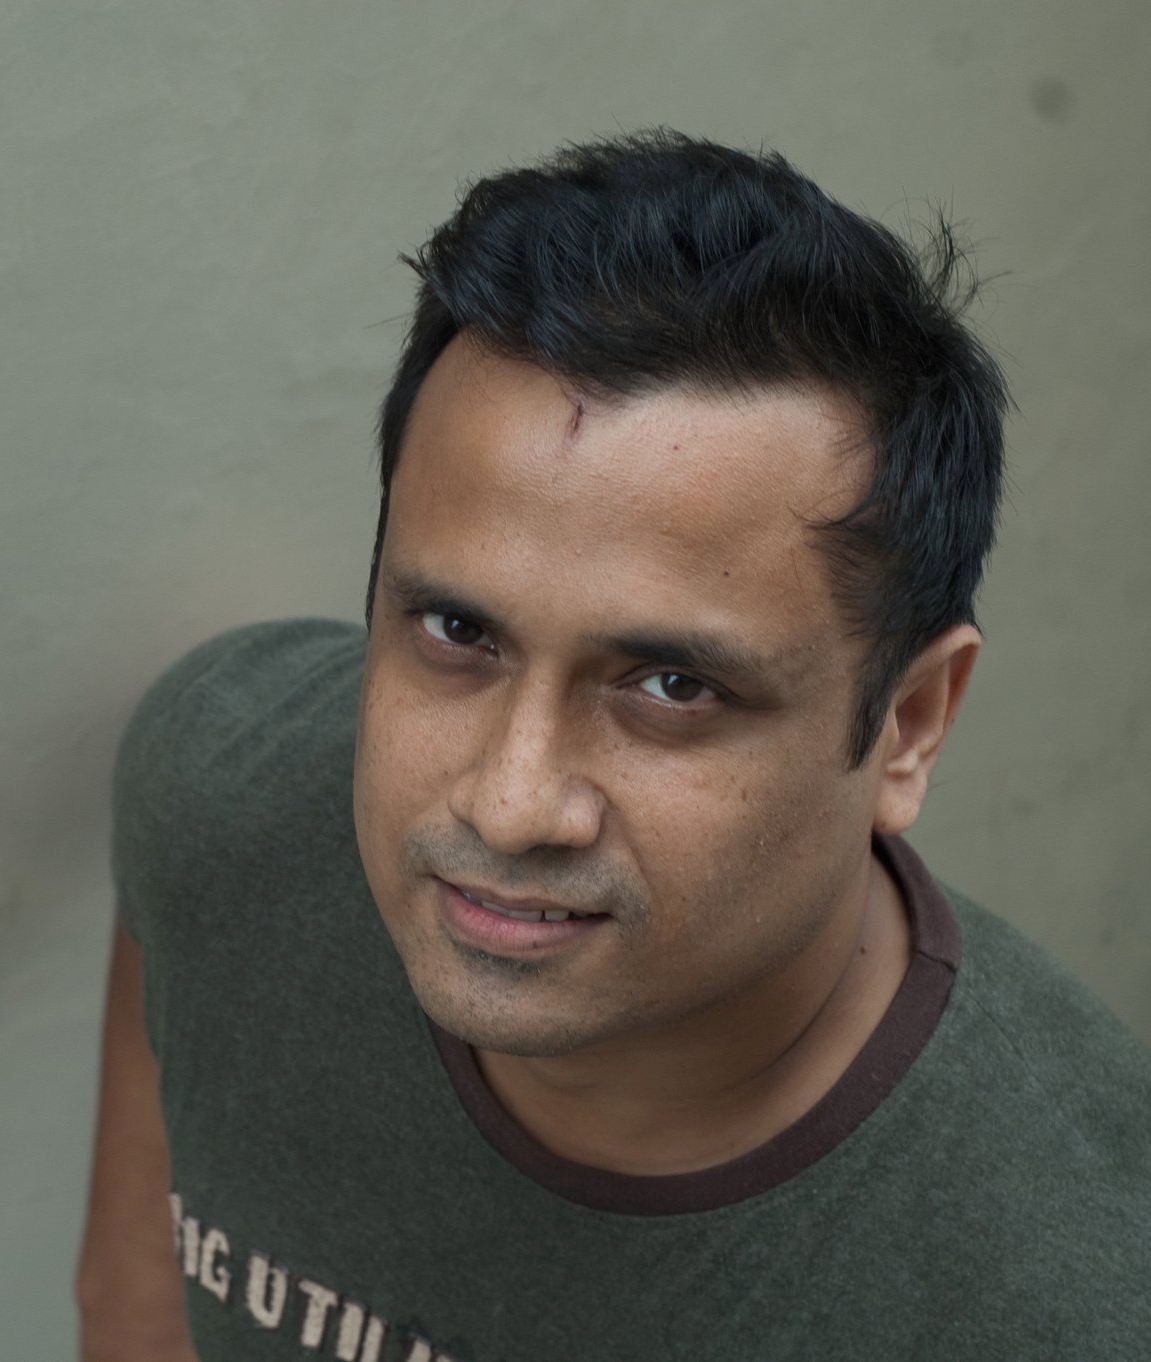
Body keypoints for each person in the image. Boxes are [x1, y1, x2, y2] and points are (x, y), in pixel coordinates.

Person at [77, 131, 1151, 1362]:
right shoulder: (231, 799)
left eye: (671, 687)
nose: (509, 801)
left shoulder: (1082, 1292)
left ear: (908, 726)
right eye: (457, 632)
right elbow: (132, 1316)